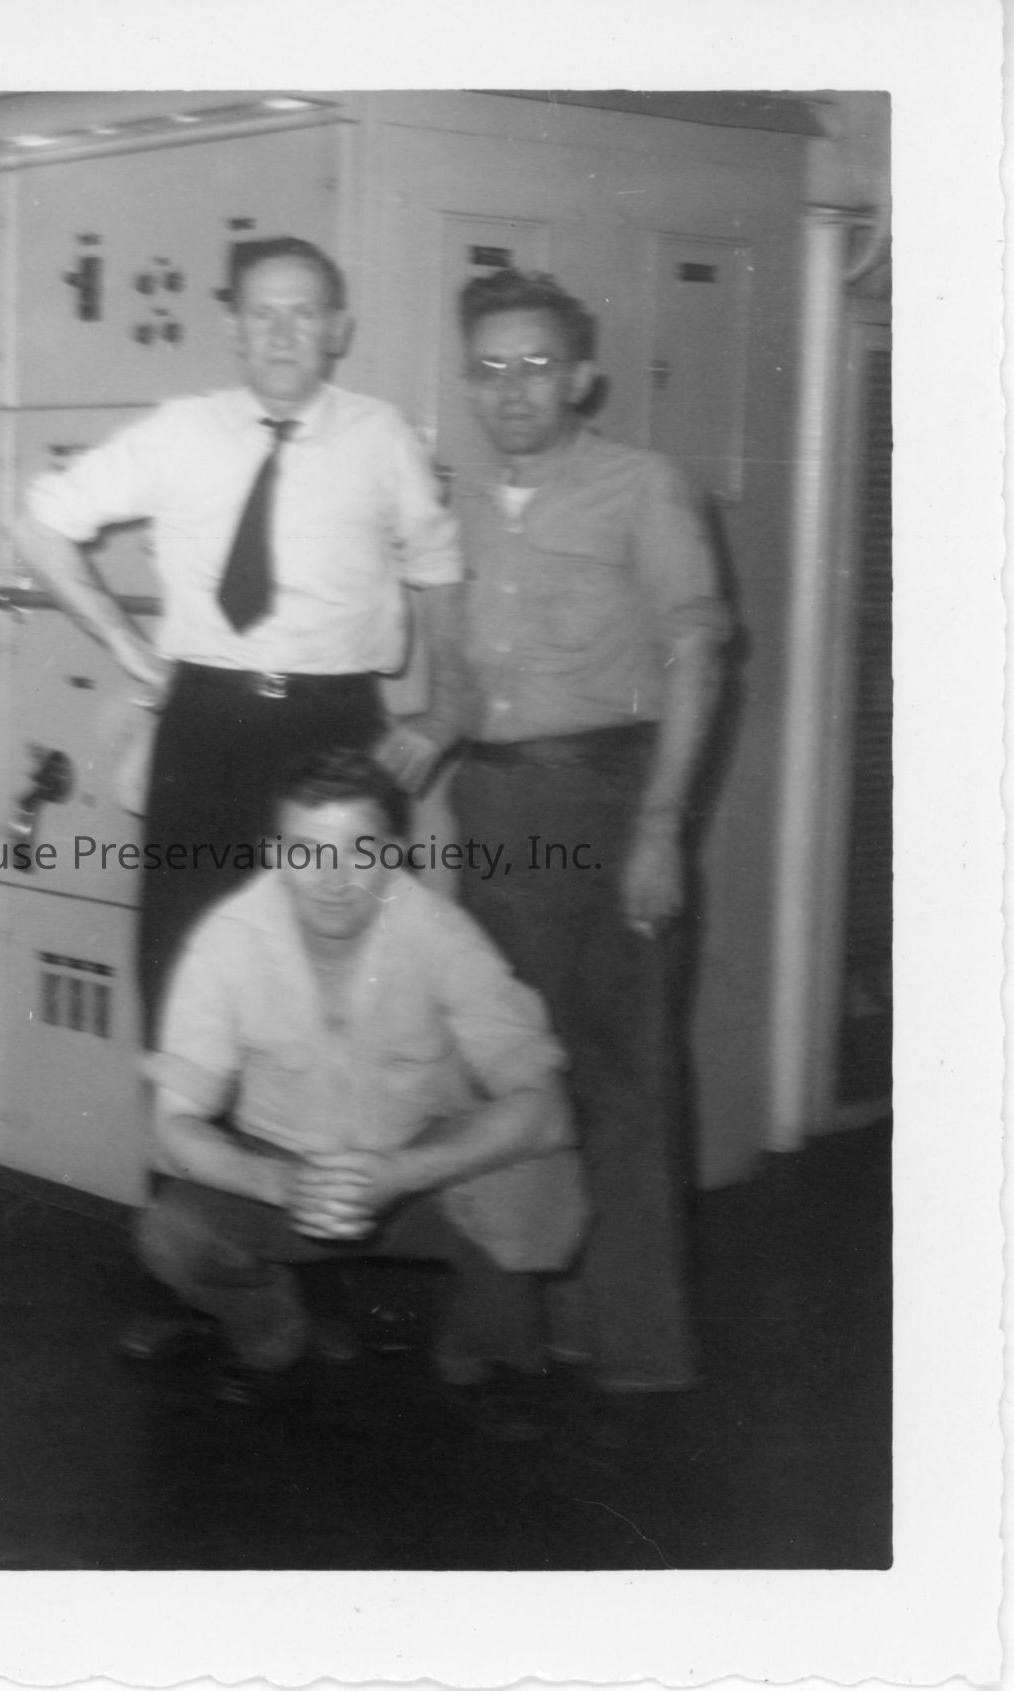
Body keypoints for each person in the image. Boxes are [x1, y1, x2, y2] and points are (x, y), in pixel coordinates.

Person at [14, 236, 465, 1028]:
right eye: (263, 314)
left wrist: (445, 708)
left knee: (348, 977)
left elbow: (440, 568)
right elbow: (40, 523)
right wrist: (125, 644)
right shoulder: (179, 431)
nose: (282, 335)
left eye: (304, 314)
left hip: (338, 730)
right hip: (205, 731)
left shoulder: (382, 436)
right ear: (233, 329)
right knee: (186, 965)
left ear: (339, 329)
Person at [442, 268, 732, 1398]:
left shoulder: (644, 487)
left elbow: (698, 655)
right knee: (499, 1061)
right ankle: (503, 1326)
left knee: (620, 1073)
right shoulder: (457, 496)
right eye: (490, 367)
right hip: (489, 804)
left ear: (581, 377)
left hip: (605, 800)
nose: (513, 389)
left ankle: (638, 1347)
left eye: (537, 365)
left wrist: (660, 828)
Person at [139, 751, 584, 1437]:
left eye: (360, 849)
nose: (333, 878)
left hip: (419, 1175)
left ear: (395, 854)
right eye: (306, 852)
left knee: (539, 1178)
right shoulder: (225, 941)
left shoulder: (441, 932)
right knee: (172, 1233)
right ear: (275, 855)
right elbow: (172, 1128)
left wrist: (402, 1172)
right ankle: (272, 1330)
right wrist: (281, 1183)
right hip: (286, 1178)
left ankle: (481, 1355)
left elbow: (547, 1108)